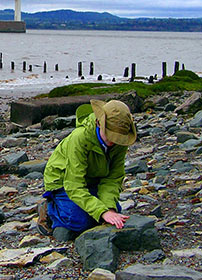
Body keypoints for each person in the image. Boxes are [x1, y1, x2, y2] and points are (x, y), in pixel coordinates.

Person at [38, 99, 137, 236]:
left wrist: (108, 209)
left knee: (114, 212)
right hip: (62, 180)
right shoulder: (80, 138)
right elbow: (74, 184)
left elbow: (113, 178)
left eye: (117, 138)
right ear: (98, 122)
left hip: (93, 178)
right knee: (79, 221)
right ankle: (49, 210)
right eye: (109, 135)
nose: (113, 142)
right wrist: (102, 212)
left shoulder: (120, 141)